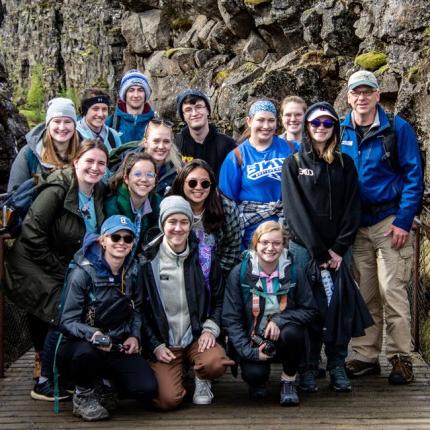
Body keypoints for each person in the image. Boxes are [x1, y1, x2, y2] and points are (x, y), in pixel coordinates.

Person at [4, 139, 108, 401]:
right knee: (61, 311)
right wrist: (66, 273)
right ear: (76, 162)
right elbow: (31, 236)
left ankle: (63, 373)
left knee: (72, 306)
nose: (94, 168)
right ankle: (45, 381)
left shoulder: (96, 192)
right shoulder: (57, 189)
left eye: (101, 163)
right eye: (89, 161)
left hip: (60, 265)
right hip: (31, 263)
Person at [341, 70, 423, 384]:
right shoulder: (340, 128)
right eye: (356, 92)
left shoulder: (397, 129)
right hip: (356, 225)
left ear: (378, 95)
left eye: (368, 92)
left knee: (394, 291)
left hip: (390, 221)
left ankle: (401, 358)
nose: (362, 98)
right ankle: (364, 355)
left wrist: (404, 221)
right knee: (365, 294)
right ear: (348, 97)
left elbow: (414, 177)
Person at [282, 101, 361, 392]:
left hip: (339, 250)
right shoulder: (293, 164)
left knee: (338, 306)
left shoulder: (345, 164)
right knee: (309, 306)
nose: (321, 128)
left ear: (335, 129)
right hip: (305, 250)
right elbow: (294, 212)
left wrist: (339, 249)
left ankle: (337, 364)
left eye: (328, 124)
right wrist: (318, 252)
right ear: (307, 127)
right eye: (316, 123)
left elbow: (353, 208)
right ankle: (308, 365)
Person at [57, 215, 158, 422]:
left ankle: (105, 386)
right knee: (85, 355)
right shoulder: (82, 273)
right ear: (103, 240)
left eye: (127, 239)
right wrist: (92, 333)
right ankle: (84, 395)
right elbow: (66, 321)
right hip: (83, 344)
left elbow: (137, 308)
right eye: (115, 237)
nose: (121, 243)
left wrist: (135, 336)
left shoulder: (133, 270)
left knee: (146, 388)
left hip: (117, 342)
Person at [139, 195, 233, 410]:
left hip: (196, 336)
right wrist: (154, 345)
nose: (178, 228)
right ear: (162, 224)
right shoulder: (148, 260)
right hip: (165, 342)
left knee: (215, 363)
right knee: (167, 401)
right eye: (172, 222)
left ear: (191, 224)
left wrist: (210, 329)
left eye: (184, 222)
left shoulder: (204, 256)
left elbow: (219, 299)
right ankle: (177, 371)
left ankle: (201, 377)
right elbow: (140, 309)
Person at [222, 221, 316, 406]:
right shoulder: (239, 273)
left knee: (293, 333)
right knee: (255, 375)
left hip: (284, 337)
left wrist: (281, 320)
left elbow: (310, 310)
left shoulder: (295, 271)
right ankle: (257, 379)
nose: (270, 248)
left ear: (284, 246)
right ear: (255, 243)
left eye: (276, 243)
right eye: (264, 242)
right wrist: (249, 352)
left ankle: (289, 381)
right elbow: (230, 318)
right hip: (253, 339)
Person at [219, 100, 296, 249]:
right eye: (260, 120)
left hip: (288, 229)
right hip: (253, 234)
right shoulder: (236, 156)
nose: (266, 126)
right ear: (249, 121)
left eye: (271, 120)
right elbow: (227, 202)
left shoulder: (291, 149)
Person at [169, 159, 241, 277]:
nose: (198, 187)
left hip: (216, 274)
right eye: (192, 183)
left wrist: (214, 276)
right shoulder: (171, 206)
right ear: (182, 182)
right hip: (177, 273)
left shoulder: (226, 208)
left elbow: (232, 248)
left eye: (205, 183)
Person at [7, 97, 80, 192]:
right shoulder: (28, 154)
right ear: (48, 125)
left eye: (67, 122)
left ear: (74, 125)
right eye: (57, 121)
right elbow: (14, 194)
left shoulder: (86, 151)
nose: (62, 127)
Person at [104, 152, 160, 255]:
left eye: (150, 175)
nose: (144, 179)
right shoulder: (112, 206)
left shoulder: (158, 204)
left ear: (155, 181)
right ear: (126, 178)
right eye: (138, 174)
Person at [175, 88, 236, 181]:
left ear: (207, 110)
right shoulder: (176, 145)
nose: (194, 113)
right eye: (188, 110)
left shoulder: (228, 145)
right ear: (183, 116)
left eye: (198, 107)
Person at [106, 69, 155, 144]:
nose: (136, 95)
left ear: (146, 94)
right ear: (124, 94)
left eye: (140, 90)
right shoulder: (110, 124)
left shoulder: (155, 123)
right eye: (131, 90)